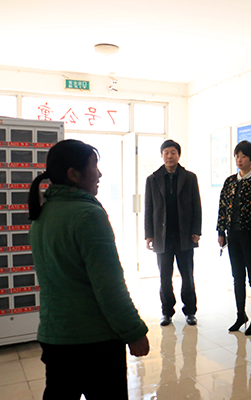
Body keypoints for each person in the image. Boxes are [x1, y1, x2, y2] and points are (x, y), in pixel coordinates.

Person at [28, 139, 149, 400]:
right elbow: (109, 287)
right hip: (94, 342)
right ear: (74, 174)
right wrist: (134, 332)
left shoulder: (44, 214)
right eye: (94, 166)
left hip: (55, 335)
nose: (100, 174)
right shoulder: (88, 215)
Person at [145, 139, 202, 326]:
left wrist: (196, 230)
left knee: (187, 276)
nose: (169, 156)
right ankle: (166, 312)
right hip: (162, 237)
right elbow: (148, 208)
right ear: (162, 156)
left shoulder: (189, 178)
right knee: (164, 277)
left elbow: (196, 205)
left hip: (184, 235)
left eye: (173, 153)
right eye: (166, 153)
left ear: (179, 155)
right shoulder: (152, 179)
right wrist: (149, 234)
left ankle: (190, 311)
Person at [216, 140, 251, 334]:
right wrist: (221, 231)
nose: (239, 159)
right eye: (237, 156)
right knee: (238, 277)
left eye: (243, 156)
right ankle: (240, 314)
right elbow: (222, 207)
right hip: (233, 235)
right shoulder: (230, 181)